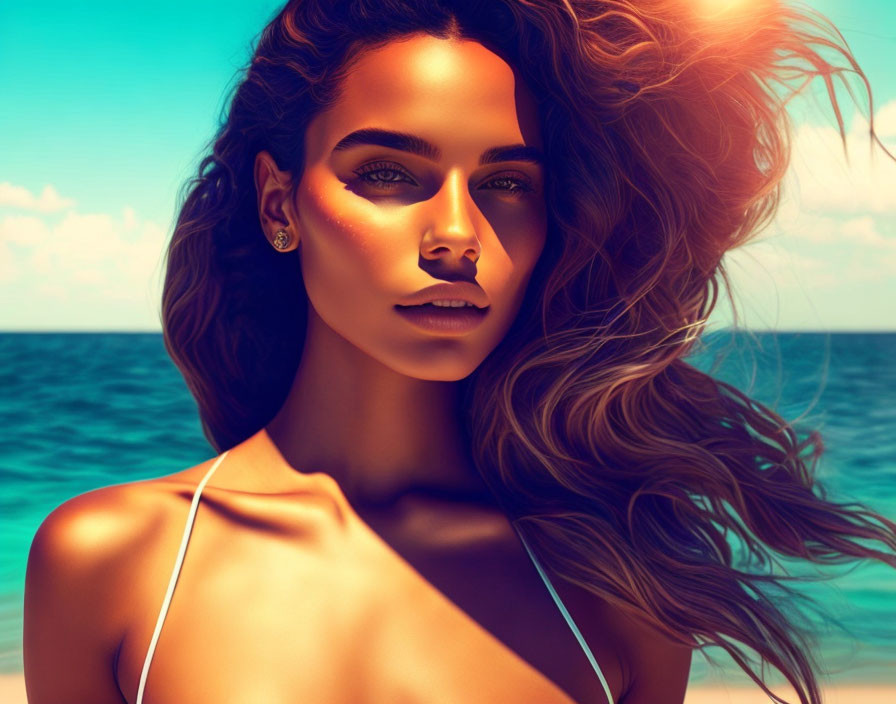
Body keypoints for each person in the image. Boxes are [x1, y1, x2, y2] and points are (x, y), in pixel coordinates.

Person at [22, 1, 896, 703]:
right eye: (389, 174)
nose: (455, 236)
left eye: (506, 184)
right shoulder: (112, 561)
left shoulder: (615, 590)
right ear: (279, 205)